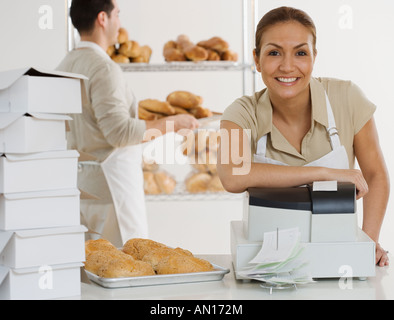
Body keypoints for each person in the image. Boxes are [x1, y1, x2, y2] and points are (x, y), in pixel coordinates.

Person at [218, 6, 390, 266]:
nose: (287, 66)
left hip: (338, 255)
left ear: (314, 57)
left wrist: (368, 241)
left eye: (300, 53)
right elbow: (232, 175)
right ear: (256, 59)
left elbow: (375, 175)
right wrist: (322, 173)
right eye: (274, 53)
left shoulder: (348, 98)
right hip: (267, 266)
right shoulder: (240, 112)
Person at [57, 0, 199, 247]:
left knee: (89, 268)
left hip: (81, 185)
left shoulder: (65, 65)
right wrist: (173, 123)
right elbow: (119, 133)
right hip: (112, 190)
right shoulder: (103, 68)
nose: (119, 22)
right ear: (103, 19)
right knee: (125, 265)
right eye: (117, 15)